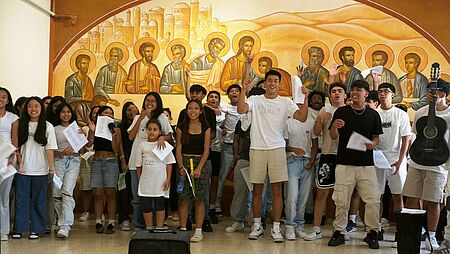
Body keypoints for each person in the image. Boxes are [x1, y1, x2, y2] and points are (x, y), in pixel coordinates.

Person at [237, 69, 309, 243]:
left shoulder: (285, 102)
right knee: (257, 190)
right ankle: (257, 226)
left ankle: (276, 227)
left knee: (277, 191)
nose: (272, 84)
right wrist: (243, 89)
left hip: (277, 149)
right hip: (257, 148)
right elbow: (241, 109)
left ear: (279, 84)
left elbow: (301, 117)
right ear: (264, 84)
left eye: (275, 81)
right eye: (269, 80)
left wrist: (306, 97)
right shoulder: (255, 99)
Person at [327, 80, 383, 249]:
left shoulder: (373, 114)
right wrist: (335, 127)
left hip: (366, 164)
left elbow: (376, 138)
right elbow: (333, 136)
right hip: (344, 163)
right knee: (341, 200)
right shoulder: (342, 111)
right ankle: (339, 232)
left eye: (359, 90)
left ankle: (373, 232)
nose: (354, 93)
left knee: (373, 200)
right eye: (352, 90)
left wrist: (373, 144)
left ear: (366, 94)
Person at [403, 79, 450, 251]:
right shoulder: (421, 112)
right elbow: (415, 134)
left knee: (433, 201)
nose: (430, 94)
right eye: (428, 91)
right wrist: (409, 156)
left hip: (439, 163)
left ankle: (431, 236)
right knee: (411, 197)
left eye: (434, 91)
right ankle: (413, 232)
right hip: (418, 161)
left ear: (443, 94)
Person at [304, 83, 347, 241]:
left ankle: (340, 229)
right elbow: (315, 133)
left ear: (345, 95)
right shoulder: (325, 110)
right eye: (333, 91)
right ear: (330, 96)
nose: (336, 93)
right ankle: (316, 228)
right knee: (322, 192)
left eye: (340, 91)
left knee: (343, 194)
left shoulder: (349, 110)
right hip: (327, 155)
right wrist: (320, 120)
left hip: (345, 157)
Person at [12, 97, 57, 240]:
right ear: (26, 109)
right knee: (21, 199)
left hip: (41, 169)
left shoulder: (48, 126)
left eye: (36, 106)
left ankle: (36, 229)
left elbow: (50, 149)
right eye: (30, 106)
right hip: (23, 169)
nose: (33, 109)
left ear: (41, 108)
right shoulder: (20, 124)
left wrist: (51, 169)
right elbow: (16, 146)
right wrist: (19, 163)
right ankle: (19, 228)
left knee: (39, 200)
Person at [128, 92, 173, 229]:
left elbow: (169, 136)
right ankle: (138, 226)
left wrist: (161, 138)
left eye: (153, 101)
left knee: (157, 198)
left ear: (158, 103)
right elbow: (130, 136)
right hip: (137, 161)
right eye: (148, 100)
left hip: (157, 164)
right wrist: (141, 117)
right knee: (138, 197)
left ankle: (156, 226)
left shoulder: (162, 117)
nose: (150, 103)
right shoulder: (138, 117)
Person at [225, 86, 266, 233]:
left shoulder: (267, 119)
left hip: (262, 158)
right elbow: (237, 138)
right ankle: (238, 220)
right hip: (244, 158)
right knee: (239, 191)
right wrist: (236, 155)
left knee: (259, 193)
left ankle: (257, 221)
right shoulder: (244, 118)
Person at [374, 83, 411, 242]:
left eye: (386, 92)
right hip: (377, 159)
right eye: (380, 91)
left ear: (393, 94)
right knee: (377, 197)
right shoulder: (374, 113)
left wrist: (399, 161)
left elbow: (406, 139)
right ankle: (376, 230)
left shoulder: (400, 114)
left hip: (396, 160)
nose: (383, 94)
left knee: (398, 196)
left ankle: (400, 231)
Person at [177, 84, 217, 232]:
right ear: (186, 111)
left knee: (199, 197)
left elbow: (207, 149)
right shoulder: (181, 126)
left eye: (195, 109)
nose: (193, 111)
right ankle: (183, 227)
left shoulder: (205, 127)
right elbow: (179, 148)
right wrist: (181, 167)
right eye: (190, 108)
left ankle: (199, 228)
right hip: (184, 162)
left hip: (201, 163)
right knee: (183, 197)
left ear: (200, 111)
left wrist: (200, 167)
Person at [87, 106, 126, 234]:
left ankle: (111, 222)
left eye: (111, 113)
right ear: (100, 115)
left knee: (110, 192)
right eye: (106, 113)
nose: (108, 115)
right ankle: (98, 221)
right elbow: (89, 144)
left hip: (110, 161)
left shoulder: (116, 129)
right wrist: (92, 132)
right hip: (97, 160)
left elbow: (116, 149)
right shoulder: (95, 127)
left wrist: (114, 136)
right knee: (98, 193)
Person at [283, 101, 319, 240]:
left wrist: (312, 160)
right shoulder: (288, 122)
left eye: (302, 104)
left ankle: (299, 225)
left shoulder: (311, 122)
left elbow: (314, 144)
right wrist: (293, 149)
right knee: (292, 196)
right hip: (292, 161)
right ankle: (289, 225)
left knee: (304, 197)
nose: (300, 107)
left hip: (307, 163)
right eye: (297, 104)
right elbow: (284, 145)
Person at [136, 119, 176, 229]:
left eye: (155, 129)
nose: (152, 132)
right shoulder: (142, 145)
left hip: (160, 180)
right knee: (146, 204)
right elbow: (138, 166)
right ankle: (149, 227)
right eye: (149, 129)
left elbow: (169, 164)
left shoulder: (164, 144)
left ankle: (159, 227)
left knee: (160, 204)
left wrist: (168, 179)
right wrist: (140, 179)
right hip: (146, 180)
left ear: (159, 131)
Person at [52, 102, 82, 239]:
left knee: (67, 191)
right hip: (58, 160)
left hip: (74, 161)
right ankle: (60, 220)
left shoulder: (76, 128)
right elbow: (50, 150)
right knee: (57, 193)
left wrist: (83, 135)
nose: (66, 114)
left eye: (68, 112)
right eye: (63, 112)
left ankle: (65, 226)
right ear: (58, 114)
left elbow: (82, 149)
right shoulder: (53, 129)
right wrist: (61, 153)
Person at [215, 84, 241, 215]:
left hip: (243, 149)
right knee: (222, 176)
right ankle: (218, 205)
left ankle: (238, 210)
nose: (234, 92)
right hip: (228, 146)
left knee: (240, 180)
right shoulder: (225, 107)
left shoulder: (246, 107)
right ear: (229, 95)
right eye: (232, 91)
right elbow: (206, 105)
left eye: (237, 91)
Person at [0, 87, 19, 241]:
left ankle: (4, 230)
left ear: (8, 100)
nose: (1, 99)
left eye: (4, 97)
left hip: (7, 159)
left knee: (4, 196)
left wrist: (13, 155)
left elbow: (15, 139)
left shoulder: (13, 117)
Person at [117, 102, 139, 231]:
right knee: (124, 189)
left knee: (136, 190)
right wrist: (122, 159)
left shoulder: (143, 123)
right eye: (128, 110)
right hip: (125, 157)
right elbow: (120, 144)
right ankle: (124, 217)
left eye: (133, 108)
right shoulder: (122, 126)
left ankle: (137, 217)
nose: (132, 112)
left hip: (138, 159)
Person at [204, 90, 225, 224]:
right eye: (210, 97)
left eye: (216, 97)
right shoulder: (203, 110)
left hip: (218, 149)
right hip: (206, 149)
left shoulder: (223, 112)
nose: (213, 99)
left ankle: (212, 206)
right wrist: (209, 107)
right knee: (205, 178)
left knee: (215, 178)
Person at [78, 105, 99, 222]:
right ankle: (86, 211)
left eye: (98, 113)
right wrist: (91, 131)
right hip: (87, 159)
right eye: (94, 113)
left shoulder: (108, 128)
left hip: (101, 159)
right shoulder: (84, 129)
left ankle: (99, 213)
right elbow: (85, 147)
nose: (96, 115)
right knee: (86, 187)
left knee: (100, 188)